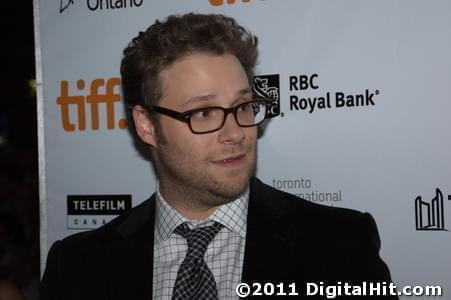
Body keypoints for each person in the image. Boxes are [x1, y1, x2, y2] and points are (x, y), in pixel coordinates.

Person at [40, 13, 397, 299]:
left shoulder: (340, 245)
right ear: (146, 125)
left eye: (243, 106)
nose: (236, 133)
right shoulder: (77, 266)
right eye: (203, 113)